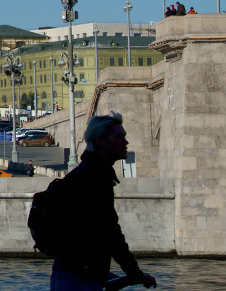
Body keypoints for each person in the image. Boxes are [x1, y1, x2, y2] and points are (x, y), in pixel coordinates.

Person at [49, 112, 156, 291]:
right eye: (119, 136)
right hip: (80, 279)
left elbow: (90, 234)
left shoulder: (83, 172)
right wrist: (134, 273)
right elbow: (110, 231)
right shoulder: (96, 177)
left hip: (68, 273)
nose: (126, 142)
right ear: (100, 141)